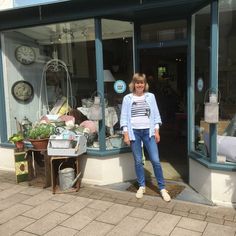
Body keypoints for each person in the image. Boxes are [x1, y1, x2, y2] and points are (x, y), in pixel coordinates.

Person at [120, 73, 171, 202]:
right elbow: (124, 117)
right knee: (138, 161)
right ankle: (141, 186)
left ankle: (162, 188)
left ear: (145, 84)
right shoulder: (127, 98)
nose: (139, 85)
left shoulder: (150, 97)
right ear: (133, 84)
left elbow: (155, 114)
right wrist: (126, 134)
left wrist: (157, 131)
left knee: (155, 160)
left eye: (142, 82)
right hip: (134, 133)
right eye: (137, 82)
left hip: (149, 132)